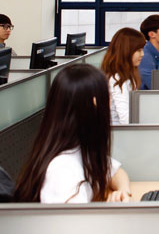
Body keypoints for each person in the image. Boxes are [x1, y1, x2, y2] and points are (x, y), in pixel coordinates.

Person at [14, 64, 132, 202]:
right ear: (95, 104)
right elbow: (76, 222)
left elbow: (115, 172)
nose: (110, 103)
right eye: (107, 97)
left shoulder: (78, 148)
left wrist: (123, 190)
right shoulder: (62, 171)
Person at [101, 27, 146, 125]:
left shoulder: (126, 74)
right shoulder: (117, 78)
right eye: (138, 50)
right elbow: (125, 119)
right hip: (117, 134)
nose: (142, 54)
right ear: (126, 51)